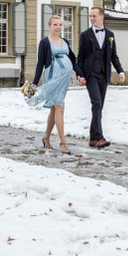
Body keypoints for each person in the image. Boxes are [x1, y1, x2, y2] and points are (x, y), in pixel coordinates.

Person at [27, 14, 84, 154]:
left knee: (54, 109)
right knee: (59, 107)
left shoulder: (65, 41)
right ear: (49, 26)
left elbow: (72, 60)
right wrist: (34, 83)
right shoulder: (45, 42)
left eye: (60, 25)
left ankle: (46, 137)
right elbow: (40, 63)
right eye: (55, 25)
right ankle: (63, 143)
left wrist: (79, 74)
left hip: (63, 80)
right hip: (52, 77)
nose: (58, 27)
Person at [76, 7, 125, 148]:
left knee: (99, 107)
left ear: (102, 16)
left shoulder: (110, 35)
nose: (91, 18)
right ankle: (100, 137)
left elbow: (113, 56)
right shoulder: (85, 35)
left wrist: (120, 71)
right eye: (90, 16)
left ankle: (92, 138)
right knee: (96, 104)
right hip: (90, 75)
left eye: (94, 16)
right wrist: (80, 75)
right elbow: (81, 58)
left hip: (104, 75)